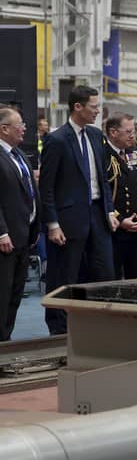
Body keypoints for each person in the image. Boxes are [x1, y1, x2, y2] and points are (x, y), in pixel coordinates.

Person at [39, 85, 118, 335]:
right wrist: (52, 224)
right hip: (68, 219)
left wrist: (109, 211)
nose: (98, 111)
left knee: (104, 272)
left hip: (97, 215)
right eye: (94, 107)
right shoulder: (57, 139)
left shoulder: (96, 136)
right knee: (64, 276)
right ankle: (59, 331)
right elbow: (47, 186)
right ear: (78, 107)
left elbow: (103, 180)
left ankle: (96, 327)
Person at [0, 106, 40, 341]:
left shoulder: (19, 154)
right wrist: (1, 232)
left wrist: (36, 226)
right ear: (4, 129)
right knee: (3, 295)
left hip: (24, 236)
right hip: (6, 239)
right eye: (20, 126)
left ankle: (6, 341)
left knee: (15, 294)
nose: (24, 129)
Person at [104, 112, 137, 279]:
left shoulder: (136, 155)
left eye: (134, 131)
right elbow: (104, 193)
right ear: (113, 132)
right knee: (113, 281)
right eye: (128, 131)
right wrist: (120, 220)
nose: (133, 135)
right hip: (115, 229)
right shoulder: (103, 156)